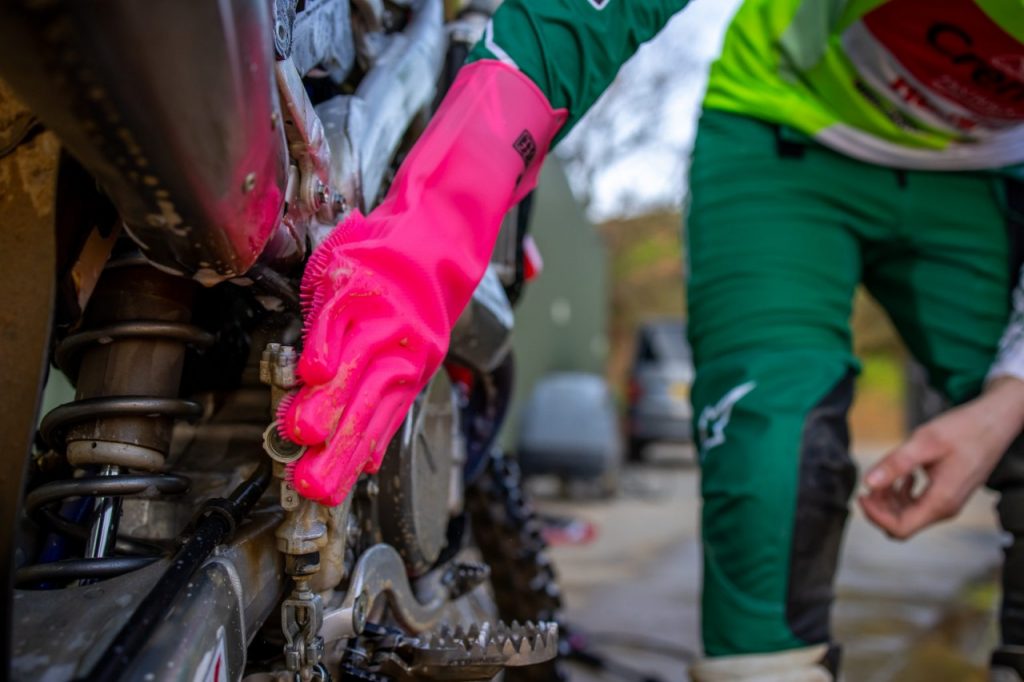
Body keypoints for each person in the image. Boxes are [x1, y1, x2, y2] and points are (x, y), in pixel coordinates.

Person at [278, 1, 1024, 679]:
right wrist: (438, 220)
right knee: (774, 459)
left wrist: (1004, 403)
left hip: (995, 174)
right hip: (791, 127)